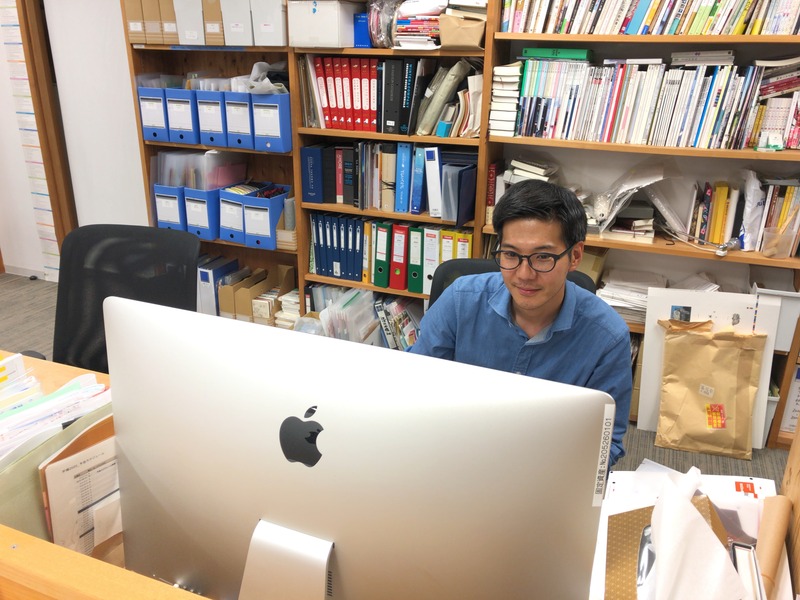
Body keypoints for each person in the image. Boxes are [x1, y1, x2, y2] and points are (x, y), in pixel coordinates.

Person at [409, 179, 632, 467]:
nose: (524, 275)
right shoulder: (460, 300)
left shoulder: (608, 338)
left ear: (575, 256)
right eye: (511, 255)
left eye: (543, 257)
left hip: (545, 469)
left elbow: (605, 445)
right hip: (456, 453)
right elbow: (415, 384)